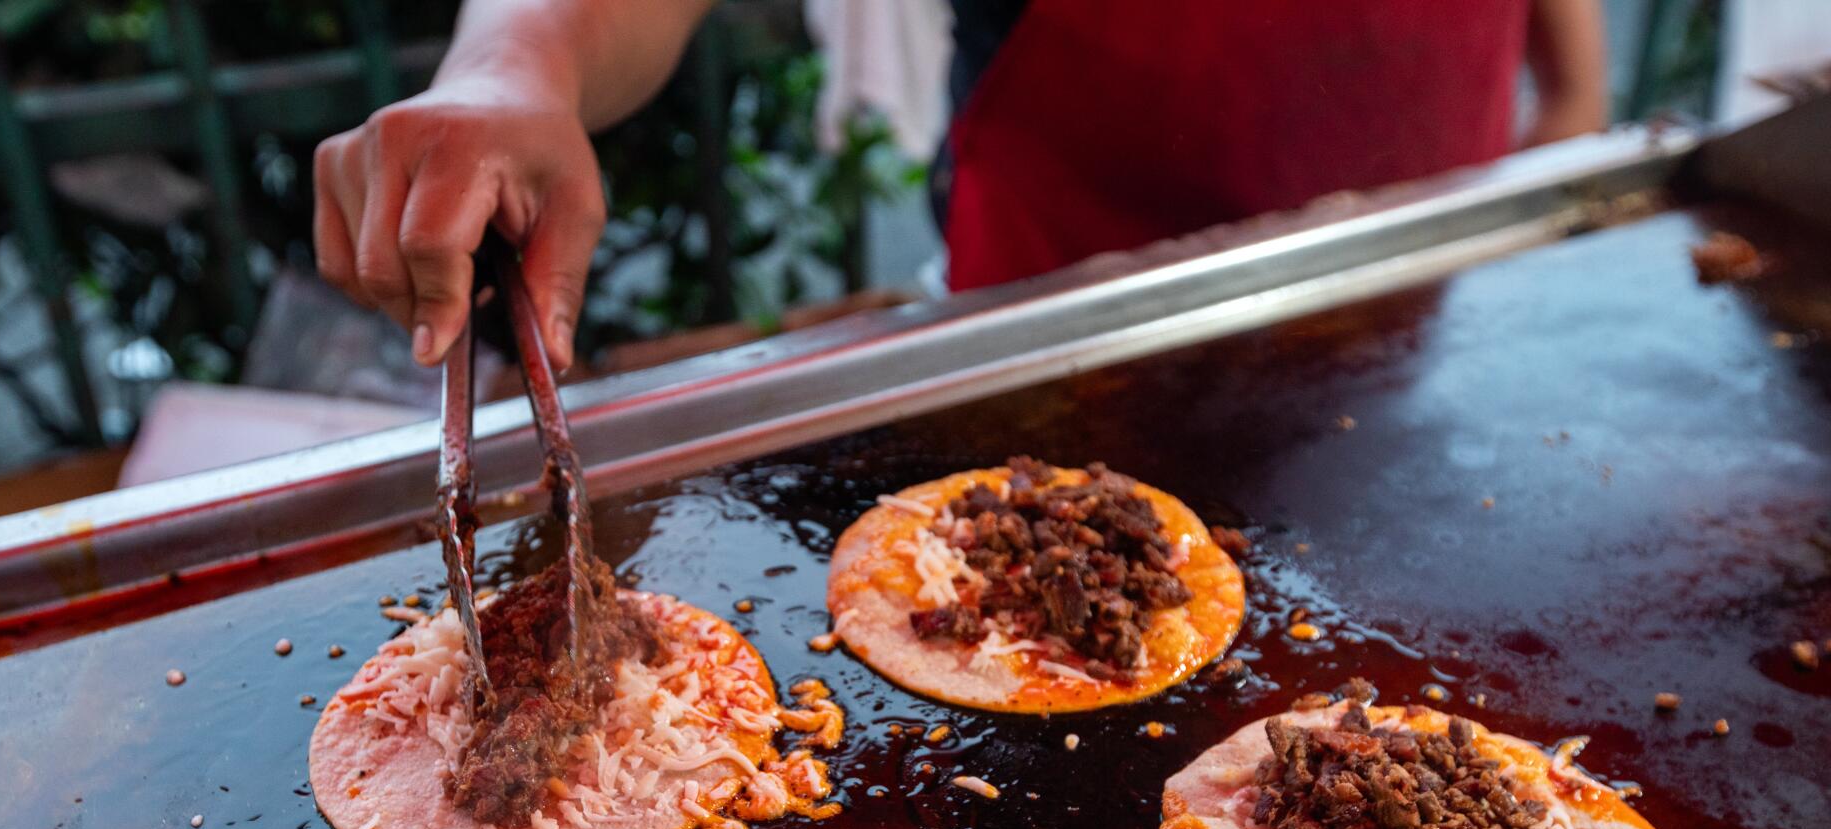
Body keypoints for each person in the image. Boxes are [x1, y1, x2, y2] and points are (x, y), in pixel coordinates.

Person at [314, 1, 1606, 373]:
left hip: (1421, 322)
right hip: (1054, 352)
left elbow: (1570, 66)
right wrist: (514, 63)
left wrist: (1575, 118)